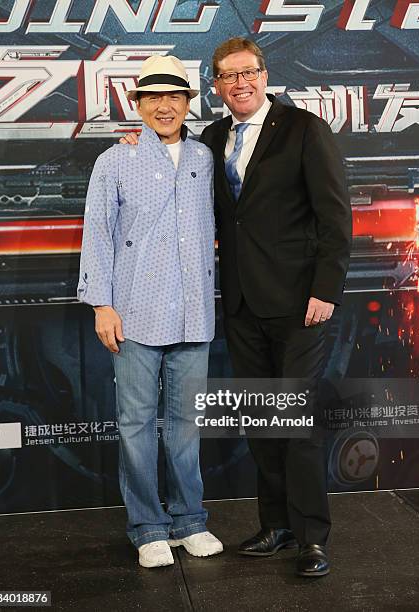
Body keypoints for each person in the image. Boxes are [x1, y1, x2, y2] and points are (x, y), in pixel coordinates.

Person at [121, 37, 352, 577]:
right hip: (242, 305)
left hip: (301, 306)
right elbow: (173, 168)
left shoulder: (303, 130)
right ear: (217, 87)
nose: (239, 83)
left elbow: (335, 217)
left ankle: (311, 538)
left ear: (264, 75)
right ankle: (275, 527)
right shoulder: (211, 139)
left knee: (296, 423)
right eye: (228, 76)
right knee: (264, 424)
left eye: (248, 72)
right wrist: (141, 145)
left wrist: (327, 289)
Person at [78, 54, 223, 568]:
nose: (165, 106)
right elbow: (96, 234)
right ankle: (147, 528)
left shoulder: (206, 158)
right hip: (135, 312)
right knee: (136, 423)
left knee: (186, 424)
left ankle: (189, 520)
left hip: (195, 313)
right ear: (137, 105)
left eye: (175, 96)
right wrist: (102, 304)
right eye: (153, 97)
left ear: (189, 103)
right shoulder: (114, 161)